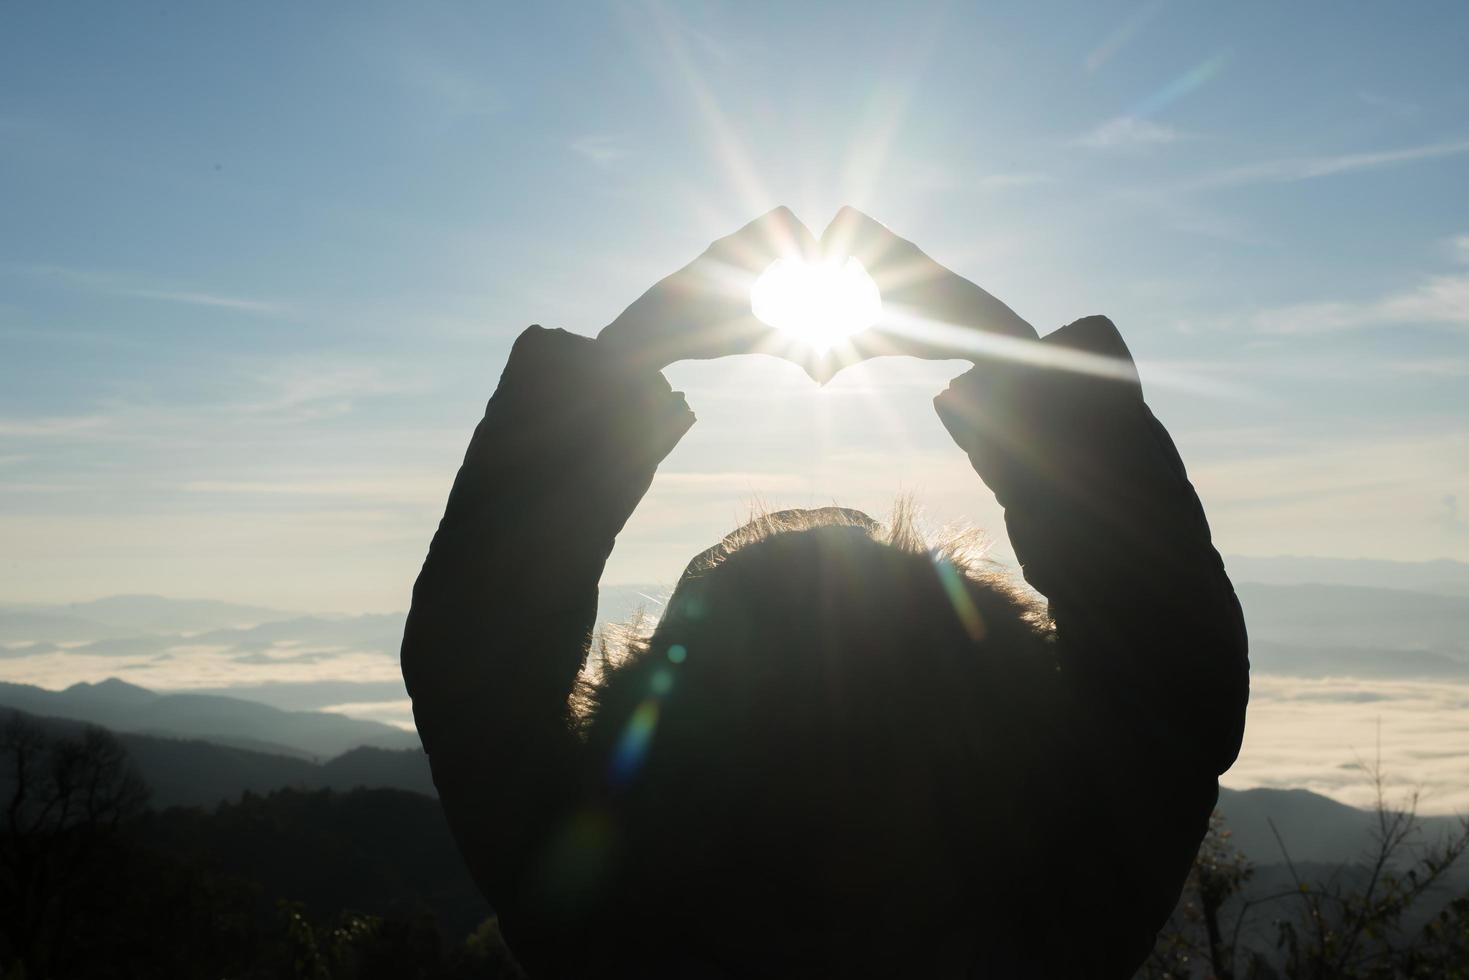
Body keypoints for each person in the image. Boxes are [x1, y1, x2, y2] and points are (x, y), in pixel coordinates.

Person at [400, 207, 1249, 978]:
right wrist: (1008, 348)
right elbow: (1169, 672)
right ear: (1005, 710)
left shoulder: (614, 920)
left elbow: (476, 672)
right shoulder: (1053, 917)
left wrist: (627, 352)